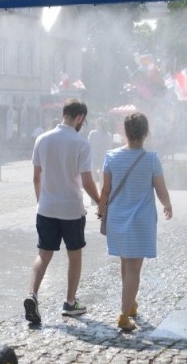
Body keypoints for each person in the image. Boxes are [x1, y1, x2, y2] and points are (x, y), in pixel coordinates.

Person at [24, 98, 101, 324]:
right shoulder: (81, 144)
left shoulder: (42, 139)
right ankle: (69, 302)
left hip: (46, 207)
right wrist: (99, 202)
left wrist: (41, 202)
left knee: (43, 254)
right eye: (83, 122)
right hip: (71, 209)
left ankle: (32, 294)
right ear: (79, 117)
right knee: (74, 255)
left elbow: (36, 176)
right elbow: (87, 181)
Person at [98, 112, 172, 332]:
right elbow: (160, 188)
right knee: (133, 268)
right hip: (141, 221)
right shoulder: (151, 159)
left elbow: (106, 189)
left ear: (124, 132)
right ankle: (123, 314)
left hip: (118, 219)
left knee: (125, 262)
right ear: (146, 133)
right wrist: (167, 204)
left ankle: (130, 305)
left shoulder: (111, 157)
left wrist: (101, 210)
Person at [88, 118, 113, 185]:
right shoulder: (109, 135)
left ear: (98, 124)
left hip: (94, 156)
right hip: (103, 157)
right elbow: (109, 147)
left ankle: (93, 191)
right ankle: (101, 191)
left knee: (93, 174)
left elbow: (88, 144)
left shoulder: (93, 133)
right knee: (102, 175)